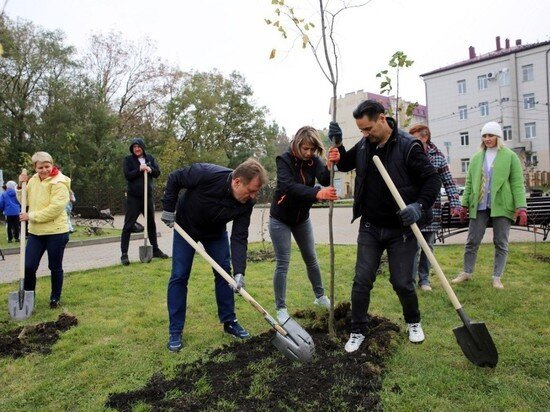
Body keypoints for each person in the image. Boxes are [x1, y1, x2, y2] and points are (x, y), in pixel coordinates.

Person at [327, 100, 441, 353]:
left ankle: (413, 322)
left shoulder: (408, 146)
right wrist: (338, 143)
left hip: (401, 229)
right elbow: (345, 163)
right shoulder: (366, 145)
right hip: (370, 226)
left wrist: (419, 206)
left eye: (368, 129)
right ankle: (357, 329)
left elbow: (432, 180)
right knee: (361, 280)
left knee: (401, 282)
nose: (365, 135)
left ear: (381, 118)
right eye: (362, 131)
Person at [160, 158, 268, 352]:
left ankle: (230, 321)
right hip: (186, 227)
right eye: (251, 190)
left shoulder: (247, 203)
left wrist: (240, 272)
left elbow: (239, 237)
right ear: (237, 182)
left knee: (225, 274)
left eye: (256, 192)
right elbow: (175, 178)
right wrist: (168, 208)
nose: (253, 196)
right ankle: (175, 330)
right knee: (179, 275)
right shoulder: (206, 173)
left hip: (215, 233)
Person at [269, 126, 337, 323]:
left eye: (312, 150)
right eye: (304, 149)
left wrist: (331, 165)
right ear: (297, 144)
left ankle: (320, 297)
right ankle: (281, 309)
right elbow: (287, 187)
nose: (308, 153)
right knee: (283, 263)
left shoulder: (313, 160)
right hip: (280, 219)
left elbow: (324, 178)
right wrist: (317, 193)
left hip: (301, 219)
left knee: (311, 259)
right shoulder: (284, 160)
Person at [451, 121, 527, 289]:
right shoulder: (477, 158)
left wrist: (521, 207)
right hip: (479, 205)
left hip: (502, 205)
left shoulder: (510, 156)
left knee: (501, 242)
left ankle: (497, 277)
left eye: (490, 135)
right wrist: (464, 206)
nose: (487, 139)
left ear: (498, 136)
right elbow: (470, 183)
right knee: (472, 241)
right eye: (484, 136)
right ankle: (466, 272)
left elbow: (517, 183)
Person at [409, 124, 462, 291]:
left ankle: (424, 280)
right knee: (412, 247)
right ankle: (409, 281)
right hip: (412, 208)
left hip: (432, 210)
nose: (411, 141)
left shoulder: (438, 157)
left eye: (415, 138)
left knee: (428, 247)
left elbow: (448, 182)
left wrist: (455, 203)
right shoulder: (408, 154)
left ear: (425, 138)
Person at [18, 152, 71, 309]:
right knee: (28, 266)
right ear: (35, 167)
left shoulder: (60, 183)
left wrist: (30, 216)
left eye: (47, 166)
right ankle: (28, 299)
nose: (44, 170)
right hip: (36, 233)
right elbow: (23, 201)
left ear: (52, 165)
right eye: (40, 167)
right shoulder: (33, 180)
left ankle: (55, 298)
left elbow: (54, 209)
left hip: (56, 232)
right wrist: (21, 186)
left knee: (54, 266)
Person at [120, 138, 168, 265]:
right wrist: (139, 169)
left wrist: (150, 169)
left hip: (147, 196)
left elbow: (157, 173)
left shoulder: (150, 158)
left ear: (142, 147)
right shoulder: (128, 160)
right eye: (134, 147)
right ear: (132, 149)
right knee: (128, 225)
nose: (137, 149)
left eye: (138, 146)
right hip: (133, 198)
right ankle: (124, 254)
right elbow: (127, 175)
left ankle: (155, 249)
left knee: (151, 224)